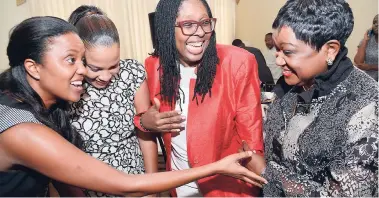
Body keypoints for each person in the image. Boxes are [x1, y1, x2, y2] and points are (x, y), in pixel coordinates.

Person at [0, 16, 267, 197]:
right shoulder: (21, 129)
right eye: (71, 60)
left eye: (83, 60)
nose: (84, 71)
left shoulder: (29, 105)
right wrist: (217, 167)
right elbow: (127, 186)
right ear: (33, 68)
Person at [242, 0, 378, 197]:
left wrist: (265, 172)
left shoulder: (367, 106)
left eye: (287, 52)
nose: (278, 60)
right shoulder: (293, 85)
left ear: (330, 50)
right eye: (278, 50)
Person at [143, 0, 264, 196]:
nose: (199, 32)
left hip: (225, 188)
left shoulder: (237, 62)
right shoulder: (154, 66)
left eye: (205, 22)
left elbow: (252, 142)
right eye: (188, 24)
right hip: (179, 186)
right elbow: (146, 119)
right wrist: (145, 122)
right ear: (166, 28)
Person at [67, 5, 172, 196]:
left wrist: (151, 187)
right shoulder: (68, 86)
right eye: (96, 68)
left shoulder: (132, 73)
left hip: (134, 178)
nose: (106, 77)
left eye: (113, 65)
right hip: (90, 186)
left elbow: (145, 134)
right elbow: (63, 157)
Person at [354, 14, 378, 81]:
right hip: (367, 78)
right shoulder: (368, 39)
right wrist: (365, 40)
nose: (376, 25)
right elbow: (357, 62)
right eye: (374, 22)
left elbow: (368, 67)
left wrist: (370, 67)